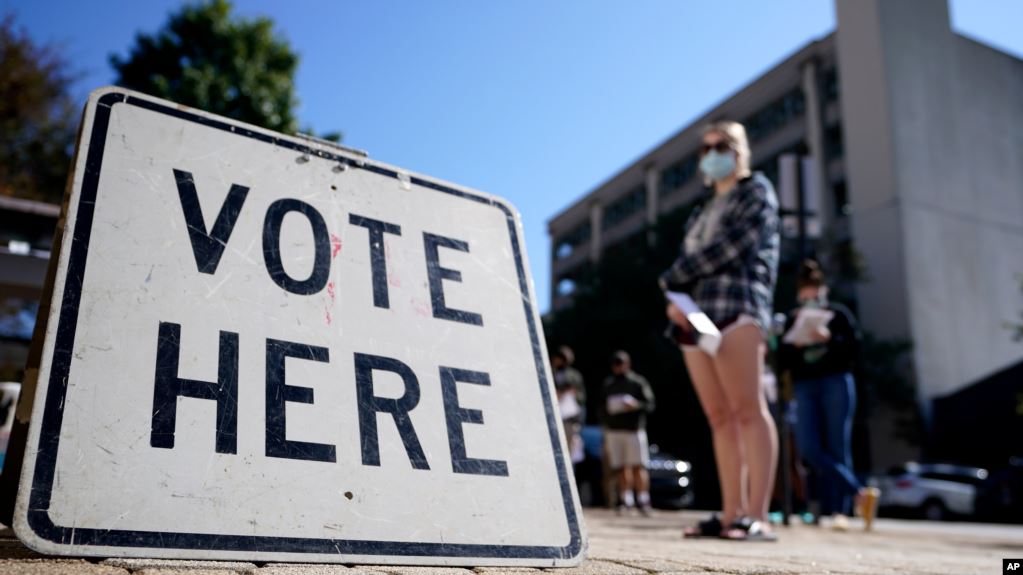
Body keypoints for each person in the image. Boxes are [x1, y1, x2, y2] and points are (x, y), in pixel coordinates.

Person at [661, 121, 780, 541]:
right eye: (706, 148)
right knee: (718, 417)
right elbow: (691, 266)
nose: (713, 153)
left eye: (722, 145)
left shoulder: (756, 191)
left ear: (740, 150)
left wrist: (673, 276)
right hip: (695, 318)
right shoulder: (700, 211)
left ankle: (757, 516)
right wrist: (675, 298)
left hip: (737, 308)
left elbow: (733, 247)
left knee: (748, 410)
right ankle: (732, 514)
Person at [778, 260, 880, 531]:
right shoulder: (792, 319)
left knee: (837, 447)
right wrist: (794, 344)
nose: (810, 302)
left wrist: (829, 338)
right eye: (805, 298)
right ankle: (859, 493)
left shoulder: (838, 315)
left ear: (824, 292)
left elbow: (855, 350)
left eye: (815, 297)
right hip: (805, 385)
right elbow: (782, 361)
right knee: (809, 449)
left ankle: (838, 511)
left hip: (836, 381)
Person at [601, 350, 655, 515]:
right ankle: (626, 500)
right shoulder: (609, 384)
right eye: (615, 364)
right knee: (621, 467)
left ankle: (643, 500)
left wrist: (636, 405)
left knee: (638, 466)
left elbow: (650, 404)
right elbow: (601, 407)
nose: (618, 367)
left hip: (634, 430)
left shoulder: (638, 382)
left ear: (627, 364)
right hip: (615, 430)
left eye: (621, 364)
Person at [552, 346, 586, 465]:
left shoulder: (574, 375)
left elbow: (581, 397)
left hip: (570, 419)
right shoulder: (549, 372)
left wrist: (570, 393)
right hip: (553, 418)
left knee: (570, 454)